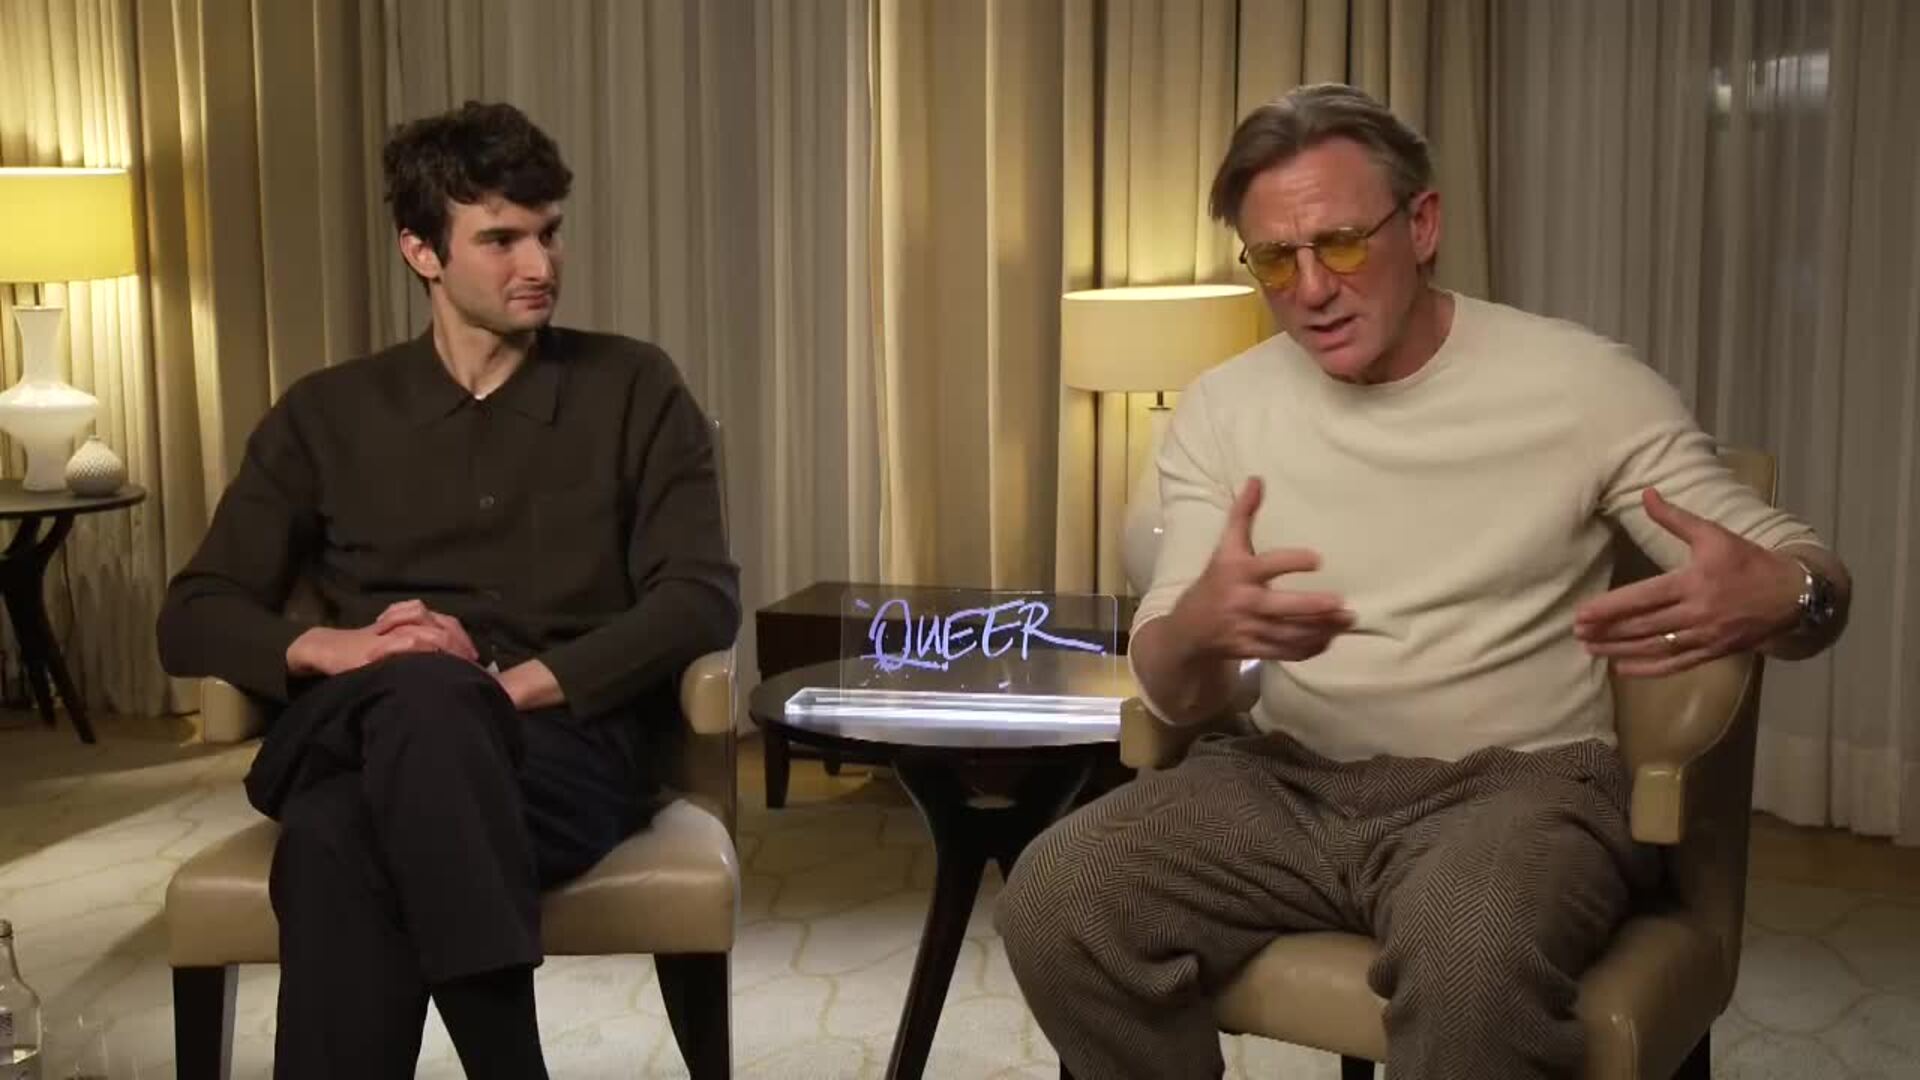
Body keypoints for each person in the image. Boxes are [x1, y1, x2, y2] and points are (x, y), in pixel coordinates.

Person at [995, 83, 1850, 1079]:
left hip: (1518, 787)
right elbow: (1175, 689)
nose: (1311, 287)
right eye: (1275, 258)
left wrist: (1793, 597)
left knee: (1469, 950)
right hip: (1286, 780)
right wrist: (1198, 631)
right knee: (1057, 894)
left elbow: (1803, 575)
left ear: (1424, 224)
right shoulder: (1224, 410)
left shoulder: (1579, 384)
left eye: (1341, 244)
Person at [156, 100, 739, 1079]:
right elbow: (192, 615)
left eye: (549, 232)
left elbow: (699, 598)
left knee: (336, 839)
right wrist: (346, 650)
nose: (540, 264)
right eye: (502, 239)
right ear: (421, 251)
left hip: (563, 752)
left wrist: (505, 689)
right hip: (357, 727)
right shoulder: (326, 414)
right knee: (420, 697)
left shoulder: (634, 388)